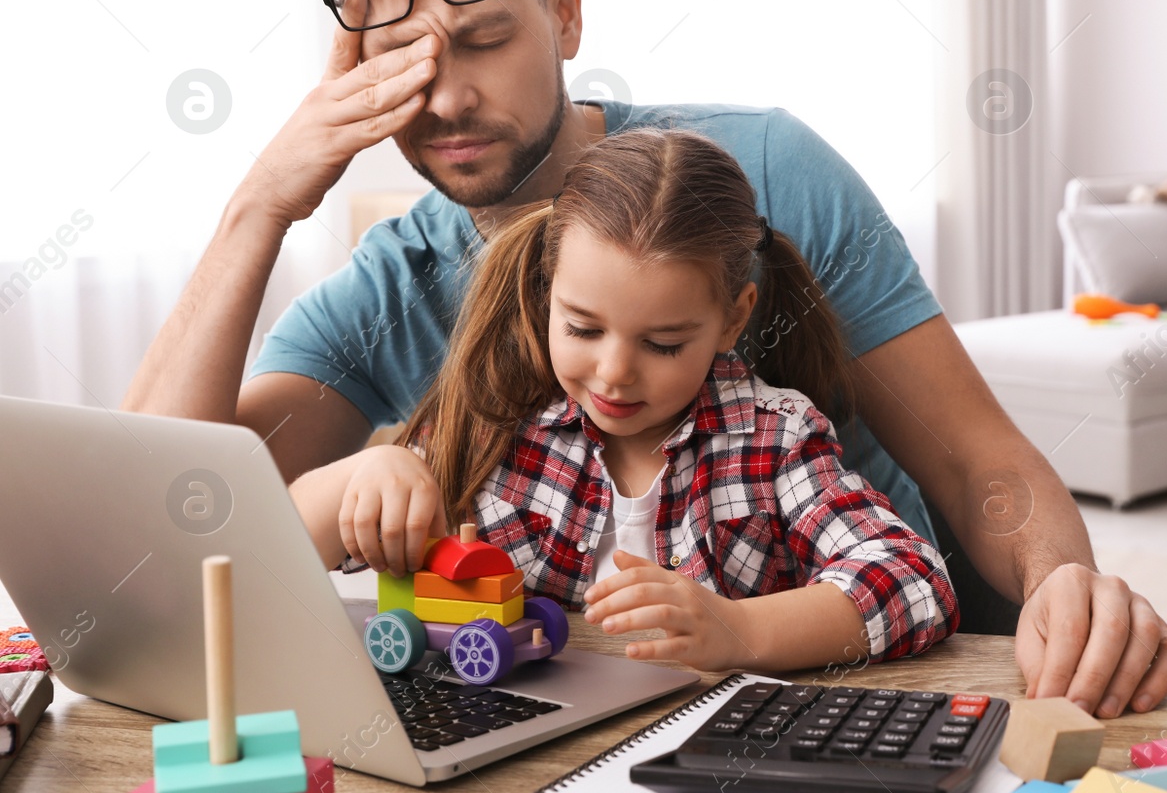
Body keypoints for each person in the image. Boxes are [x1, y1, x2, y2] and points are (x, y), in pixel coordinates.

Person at [123, 0, 1167, 715]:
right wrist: (258, 205)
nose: (444, 99)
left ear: (566, 15)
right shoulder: (396, 282)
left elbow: (971, 461)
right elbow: (167, 524)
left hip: (871, 672)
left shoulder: (763, 171)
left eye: (485, 41)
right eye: (402, 60)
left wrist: (1062, 583)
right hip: (609, 702)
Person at [290, 128, 958, 672]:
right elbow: (281, 541)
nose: (614, 374)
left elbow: (914, 580)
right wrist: (367, 473)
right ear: (549, 292)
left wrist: (740, 629)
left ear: (732, 319)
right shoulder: (495, 425)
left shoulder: (772, 439)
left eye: (663, 343)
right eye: (581, 329)